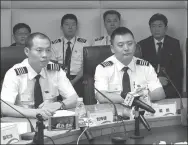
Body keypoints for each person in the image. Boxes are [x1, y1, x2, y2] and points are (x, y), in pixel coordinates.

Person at [1, 32, 78, 120]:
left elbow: (75, 98)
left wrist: (59, 104)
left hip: (49, 122)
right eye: (39, 50)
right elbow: (5, 107)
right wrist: (35, 113)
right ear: (27, 51)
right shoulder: (15, 73)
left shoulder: (55, 70)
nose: (45, 55)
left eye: (48, 50)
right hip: (24, 122)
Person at [94, 27, 166, 104]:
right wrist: (132, 99)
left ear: (135, 45)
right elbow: (101, 96)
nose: (126, 48)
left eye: (130, 44)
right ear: (112, 48)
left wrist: (144, 96)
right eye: (121, 45)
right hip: (113, 112)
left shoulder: (145, 66)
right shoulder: (103, 68)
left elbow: (160, 93)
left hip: (140, 112)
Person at [138, 13, 183, 98]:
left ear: (166, 28)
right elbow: (140, 69)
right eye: (153, 26)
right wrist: (156, 80)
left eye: (160, 26)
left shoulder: (174, 43)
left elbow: (178, 69)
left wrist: (167, 82)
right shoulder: (142, 44)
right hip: (150, 89)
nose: (156, 29)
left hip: (170, 88)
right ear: (150, 28)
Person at [51, 14, 89, 97]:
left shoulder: (84, 44)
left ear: (76, 27)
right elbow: (52, 65)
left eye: (73, 24)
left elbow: (86, 66)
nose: (70, 27)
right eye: (67, 24)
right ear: (61, 27)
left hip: (78, 79)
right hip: (59, 79)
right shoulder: (54, 45)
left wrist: (74, 81)